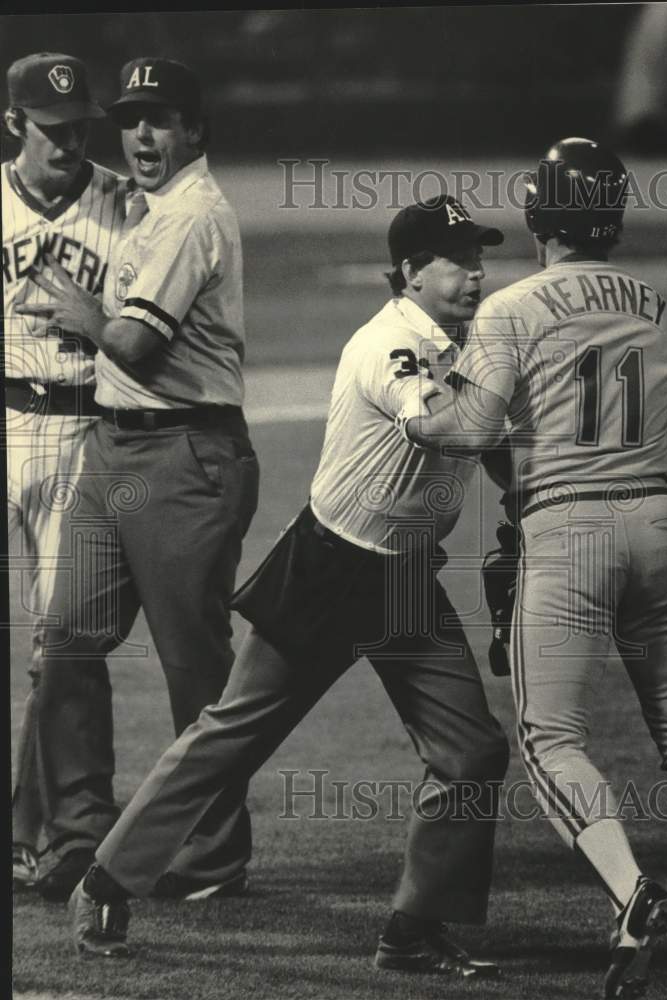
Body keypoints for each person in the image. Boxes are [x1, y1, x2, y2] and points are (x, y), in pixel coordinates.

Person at [66, 194, 510, 976]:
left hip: (404, 577)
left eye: (479, 260)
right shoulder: (391, 345)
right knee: (233, 736)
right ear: (410, 272)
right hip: (332, 568)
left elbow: (490, 450)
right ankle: (107, 878)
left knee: (471, 751)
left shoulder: (457, 343)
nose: (475, 275)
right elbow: (454, 429)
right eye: (457, 261)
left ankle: (414, 929)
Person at [404, 139, 667, 1000]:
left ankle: (630, 890)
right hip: (655, 522)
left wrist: (419, 408)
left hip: (568, 531)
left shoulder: (510, 308)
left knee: (550, 739)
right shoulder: (656, 304)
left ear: (540, 214)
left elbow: (468, 431)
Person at [15, 57, 260, 904]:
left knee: (193, 667)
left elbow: (132, 346)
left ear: (195, 129)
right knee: (68, 641)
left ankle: (213, 855)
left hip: (187, 457)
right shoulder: (150, 209)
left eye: (160, 120)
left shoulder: (193, 216)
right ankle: (80, 837)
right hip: (115, 452)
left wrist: (83, 316)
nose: (142, 137)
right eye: (131, 120)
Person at [3, 52, 125, 893]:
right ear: (14, 123)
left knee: (63, 644)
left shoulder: (125, 202)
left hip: (80, 425)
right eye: (53, 129)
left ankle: (64, 833)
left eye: (80, 124)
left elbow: (167, 318)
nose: (71, 141)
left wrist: (106, 320)